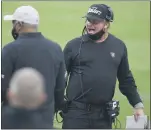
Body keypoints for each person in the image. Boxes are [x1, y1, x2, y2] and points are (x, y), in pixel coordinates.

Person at [62, 4, 145, 129]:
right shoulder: (73, 46)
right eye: (88, 20)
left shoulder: (118, 46)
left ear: (106, 24)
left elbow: (125, 79)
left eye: (95, 21)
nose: (90, 24)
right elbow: (59, 78)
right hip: (75, 114)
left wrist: (137, 105)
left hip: (103, 116)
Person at [2, 5, 66, 128]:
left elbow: (3, 88)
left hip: (14, 122)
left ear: (19, 25)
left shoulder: (10, 50)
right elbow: (60, 88)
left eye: (13, 23)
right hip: (45, 120)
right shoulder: (55, 48)